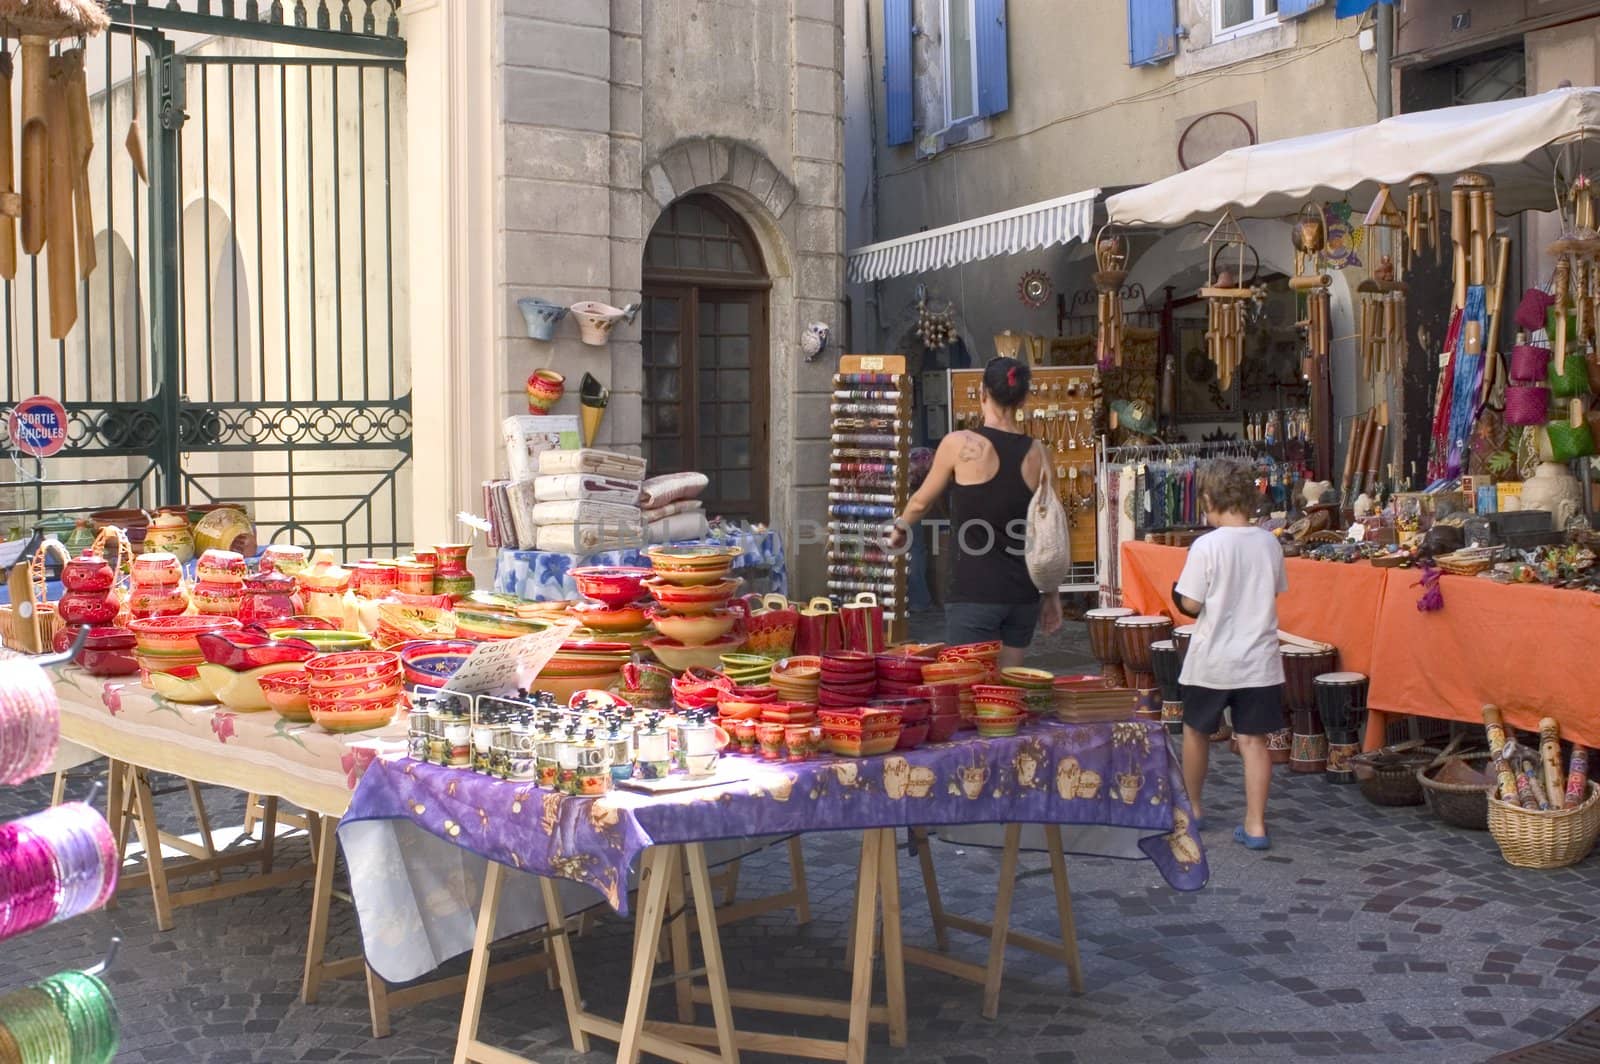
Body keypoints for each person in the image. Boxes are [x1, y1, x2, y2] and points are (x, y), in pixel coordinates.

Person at [887, 356, 1061, 668]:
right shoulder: (1040, 453)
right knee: (1006, 694)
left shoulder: (959, 443)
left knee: (968, 691)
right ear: (1023, 399)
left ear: (982, 393)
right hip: (1022, 594)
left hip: (973, 592)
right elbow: (1052, 532)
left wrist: (899, 529)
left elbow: (920, 503)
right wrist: (1052, 595)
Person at [1170, 458, 1287, 851]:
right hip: (1259, 661)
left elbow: (1190, 602)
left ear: (1210, 498)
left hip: (1213, 660)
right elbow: (1269, 593)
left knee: (1195, 731)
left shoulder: (1206, 546)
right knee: (1254, 742)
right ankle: (1256, 824)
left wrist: (1177, 594)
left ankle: (1195, 808)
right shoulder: (1270, 542)